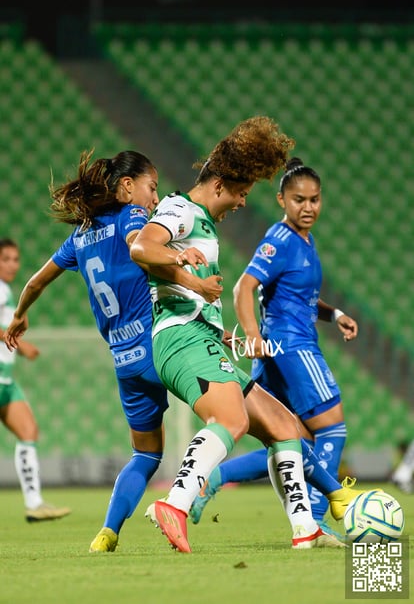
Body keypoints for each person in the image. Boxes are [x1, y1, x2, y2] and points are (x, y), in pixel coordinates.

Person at [130, 116, 367, 553]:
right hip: (180, 338)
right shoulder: (180, 210)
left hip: (200, 337)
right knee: (233, 420)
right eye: (240, 192)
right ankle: (175, 504)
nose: (242, 202)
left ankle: (306, 530)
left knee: (282, 426)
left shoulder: (200, 219)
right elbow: (141, 248)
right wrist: (192, 278)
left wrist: (217, 325)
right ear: (219, 185)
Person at [4, 150, 223, 552]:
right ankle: (185, 499)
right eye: (151, 187)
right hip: (158, 349)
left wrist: (19, 316)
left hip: (125, 363)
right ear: (127, 187)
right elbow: (139, 245)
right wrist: (182, 261)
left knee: (145, 456)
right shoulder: (132, 216)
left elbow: (35, 282)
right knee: (235, 413)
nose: (155, 199)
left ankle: (107, 533)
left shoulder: (80, 236)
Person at [189, 156, 359, 538]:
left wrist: (335, 316)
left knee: (287, 438)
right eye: (299, 199)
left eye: (315, 199)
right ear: (282, 199)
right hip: (291, 346)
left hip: (278, 348)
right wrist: (252, 335)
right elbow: (243, 288)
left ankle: (214, 477)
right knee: (331, 430)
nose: (309, 207)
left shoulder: (304, 241)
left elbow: (298, 296)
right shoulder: (280, 240)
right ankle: (315, 518)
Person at [0, 237, 71, 522]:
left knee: (28, 431)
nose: (12, 265)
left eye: (16, 259)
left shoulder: (6, 290)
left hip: (5, 380)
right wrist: (14, 338)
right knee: (28, 432)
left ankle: (35, 503)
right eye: (6, 259)